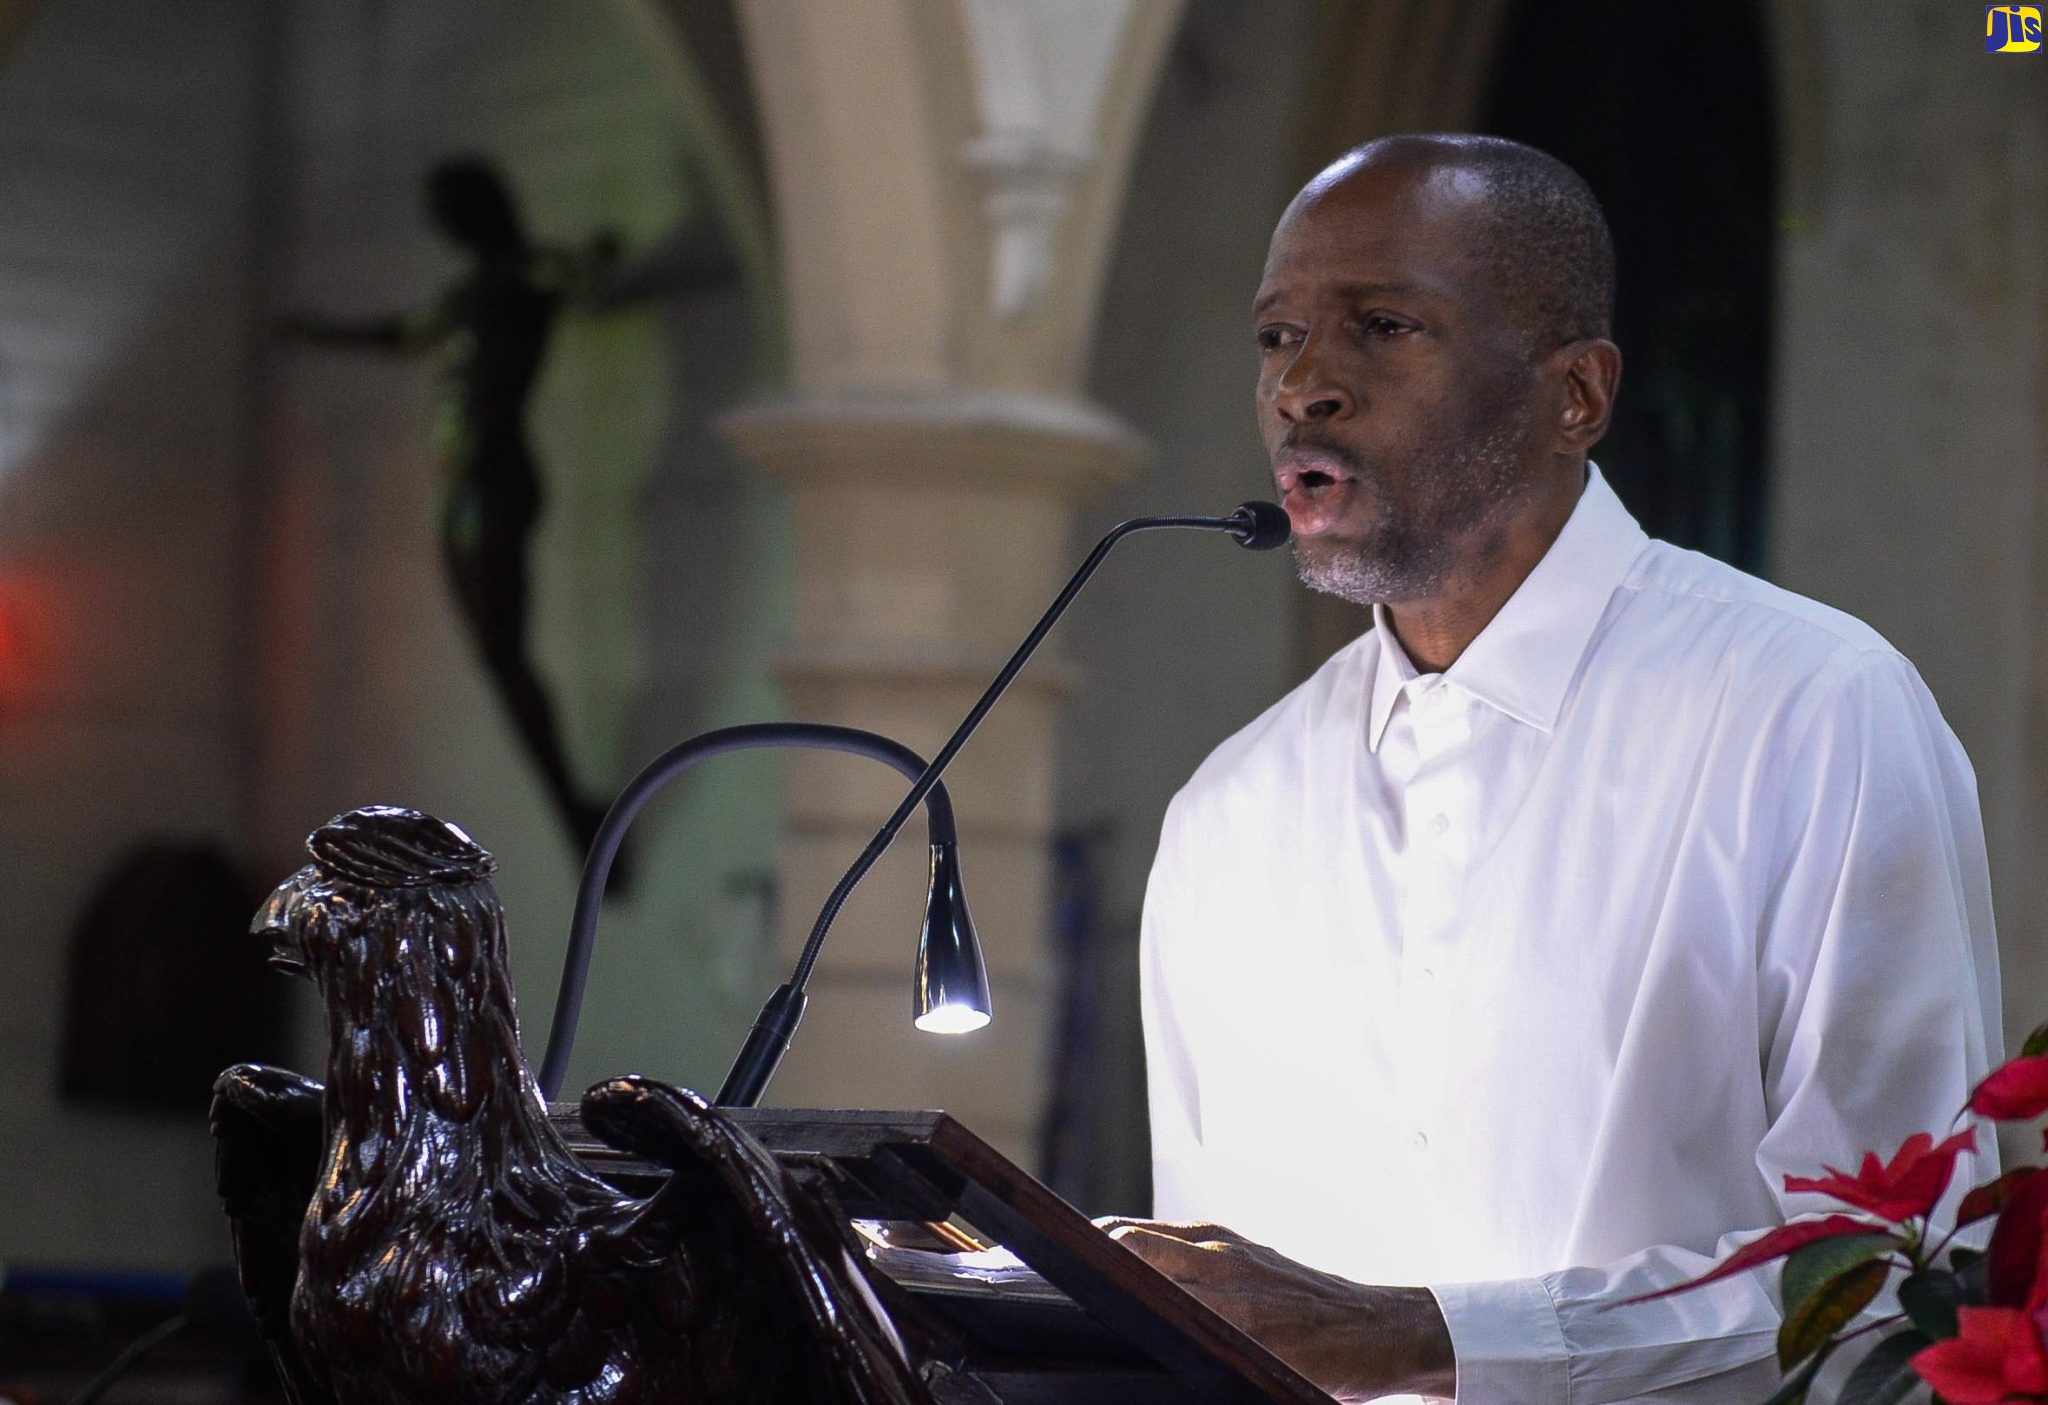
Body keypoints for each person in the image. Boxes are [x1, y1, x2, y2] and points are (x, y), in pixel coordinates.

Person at [1101, 135, 2003, 1403]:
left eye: (1380, 326)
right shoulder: (1228, 813)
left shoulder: (1809, 713)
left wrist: (1435, 1336)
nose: (1302, 384)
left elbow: (1900, 1283)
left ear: (1575, 393)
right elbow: (1226, 1329)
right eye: (1274, 338)